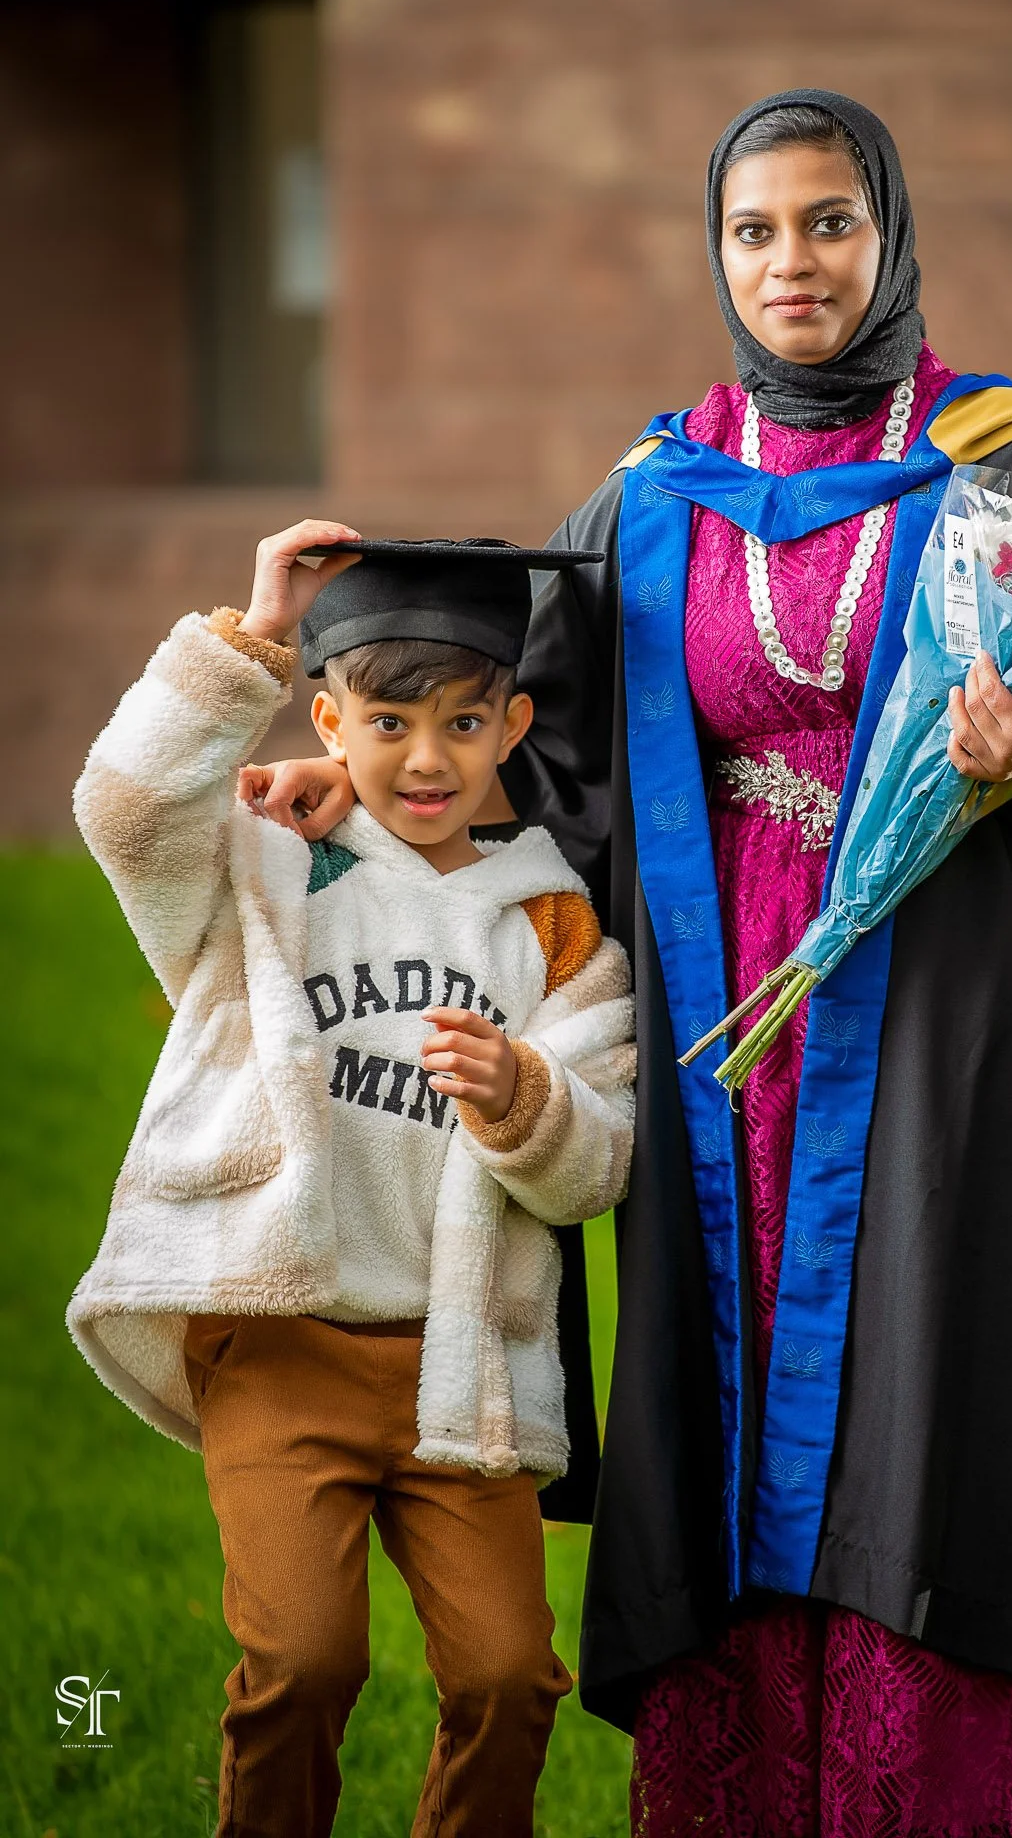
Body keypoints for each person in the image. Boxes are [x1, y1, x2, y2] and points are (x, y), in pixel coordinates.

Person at [255, 91, 1012, 1838]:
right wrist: (347, 788)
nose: (790, 262)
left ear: (890, 236)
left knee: (947, 1399)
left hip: (963, 1050)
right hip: (727, 1059)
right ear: (714, 251)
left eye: (828, 222)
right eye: (752, 230)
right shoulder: (652, 492)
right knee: (724, 1405)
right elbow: (523, 753)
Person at [67, 520, 636, 1838]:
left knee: (509, 1677)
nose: (424, 758)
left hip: (463, 1368)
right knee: (306, 1664)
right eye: (385, 722)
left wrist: (526, 1102)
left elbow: (598, 1161)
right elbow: (129, 805)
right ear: (326, 716)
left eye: (460, 723)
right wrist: (251, 633)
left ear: (513, 724)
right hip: (281, 1337)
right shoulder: (263, 858)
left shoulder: (552, 926)